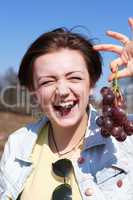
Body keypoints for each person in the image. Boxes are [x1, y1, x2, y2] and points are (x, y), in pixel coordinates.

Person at [0, 18, 133, 200]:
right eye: (47, 81)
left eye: (74, 78)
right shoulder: (17, 145)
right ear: (33, 90)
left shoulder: (125, 140)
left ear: (92, 83)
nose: (62, 91)